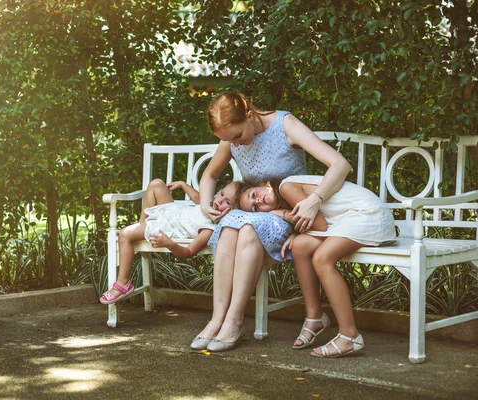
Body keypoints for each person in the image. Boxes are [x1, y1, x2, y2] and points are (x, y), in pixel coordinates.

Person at [192, 91, 352, 353]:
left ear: (250, 115)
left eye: (237, 136)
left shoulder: (285, 125)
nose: (236, 144)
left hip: (290, 212)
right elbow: (210, 175)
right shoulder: (231, 138)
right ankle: (217, 319)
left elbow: (339, 164)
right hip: (254, 211)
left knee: (246, 228)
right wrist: (205, 204)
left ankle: (234, 321)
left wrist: (315, 200)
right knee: (231, 226)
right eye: (228, 140)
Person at [240, 177, 396, 357]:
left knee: (322, 259)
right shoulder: (286, 196)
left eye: (254, 195)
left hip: (368, 215)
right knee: (299, 245)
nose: (258, 202)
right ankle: (315, 318)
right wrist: (296, 234)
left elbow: (320, 226)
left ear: (265, 184)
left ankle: (349, 336)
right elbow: (318, 224)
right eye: (255, 208)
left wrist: (281, 213)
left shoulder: (286, 187)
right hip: (347, 221)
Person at [100, 179, 245, 305]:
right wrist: (183, 185)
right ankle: (141, 224)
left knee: (124, 234)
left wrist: (169, 243)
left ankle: (123, 282)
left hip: (165, 227)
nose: (219, 200)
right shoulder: (210, 204)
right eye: (221, 193)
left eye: (227, 202)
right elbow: (196, 197)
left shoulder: (209, 229)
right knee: (156, 184)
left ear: (233, 212)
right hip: (171, 210)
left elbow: (189, 252)